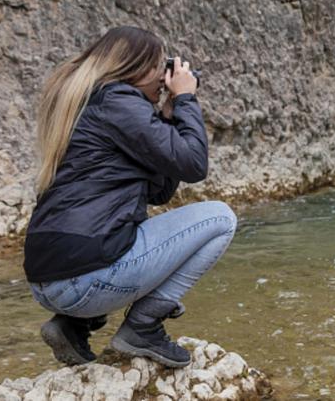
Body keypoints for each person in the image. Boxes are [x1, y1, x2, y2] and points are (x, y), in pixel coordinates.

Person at [23, 26, 237, 368]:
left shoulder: (89, 104)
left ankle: (72, 325)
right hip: (84, 281)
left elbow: (161, 191)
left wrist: (167, 117)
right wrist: (185, 99)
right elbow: (195, 164)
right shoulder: (118, 101)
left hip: (49, 283)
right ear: (134, 68)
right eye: (159, 66)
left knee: (131, 233)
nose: (164, 76)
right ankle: (142, 327)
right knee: (220, 218)